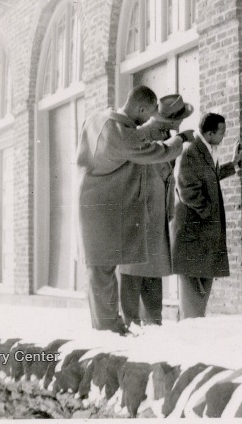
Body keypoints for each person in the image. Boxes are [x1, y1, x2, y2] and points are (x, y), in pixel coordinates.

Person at [75, 85, 194, 334]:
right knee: (103, 272)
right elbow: (157, 151)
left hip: (95, 203)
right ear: (141, 109)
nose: (150, 119)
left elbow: (123, 141)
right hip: (103, 208)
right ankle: (109, 330)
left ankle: (109, 327)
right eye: (149, 113)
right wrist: (180, 140)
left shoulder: (100, 118)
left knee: (102, 270)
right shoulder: (122, 135)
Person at [117, 94, 194, 327]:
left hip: (156, 212)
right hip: (138, 213)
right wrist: (180, 139)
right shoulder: (142, 135)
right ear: (171, 120)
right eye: (179, 118)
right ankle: (129, 324)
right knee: (132, 271)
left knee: (153, 270)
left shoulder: (164, 135)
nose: (181, 122)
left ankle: (153, 323)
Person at [171, 112, 241, 319]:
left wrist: (233, 164)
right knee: (192, 289)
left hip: (201, 232)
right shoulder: (190, 151)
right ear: (209, 133)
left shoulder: (205, 149)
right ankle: (189, 328)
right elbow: (187, 190)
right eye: (222, 132)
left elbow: (209, 176)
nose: (224, 136)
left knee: (201, 286)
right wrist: (209, 213)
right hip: (191, 232)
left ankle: (190, 324)